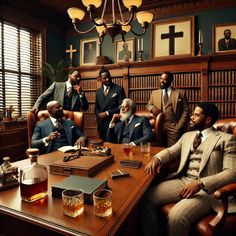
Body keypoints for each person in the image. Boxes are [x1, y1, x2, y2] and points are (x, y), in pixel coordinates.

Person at [141, 102, 236, 236]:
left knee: (176, 216)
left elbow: (232, 173)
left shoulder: (227, 139)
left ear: (208, 120)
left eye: (196, 115)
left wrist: (200, 183)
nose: (191, 117)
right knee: (147, 198)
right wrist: (157, 159)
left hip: (208, 191)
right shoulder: (187, 136)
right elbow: (171, 151)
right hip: (183, 181)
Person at [146, 71, 189, 147]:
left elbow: (186, 109)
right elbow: (148, 105)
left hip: (173, 126)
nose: (162, 81)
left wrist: (179, 125)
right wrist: (153, 108)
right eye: (161, 78)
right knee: (159, 149)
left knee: (172, 150)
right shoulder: (154, 93)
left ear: (171, 81)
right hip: (159, 125)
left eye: (165, 79)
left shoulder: (180, 93)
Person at [95, 67, 126, 141]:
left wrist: (107, 113)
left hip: (114, 123)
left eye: (109, 77)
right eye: (104, 78)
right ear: (100, 79)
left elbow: (122, 106)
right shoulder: (98, 91)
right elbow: (96, 107)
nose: (107, 79)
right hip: (102, 124)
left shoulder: (118, 89)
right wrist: (98, 116)